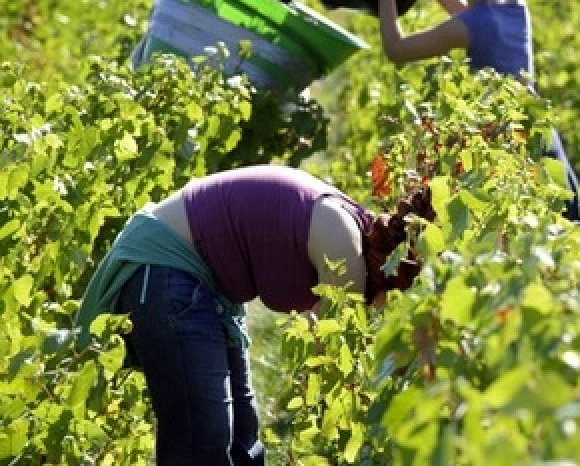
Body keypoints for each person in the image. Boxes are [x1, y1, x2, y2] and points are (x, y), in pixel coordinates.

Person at [74, 165, 434, 465]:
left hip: (206, 284)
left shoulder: (352, 231)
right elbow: (327, 358)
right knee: (203, 439)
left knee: (243, 441)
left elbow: (317, 331)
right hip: (166, 267)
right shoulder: (348, 259)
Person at [362, 0, 580, 222]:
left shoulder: (472, 26)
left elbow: (397, 49)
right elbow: (475, 14)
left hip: (509, 146)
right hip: (540, 135)